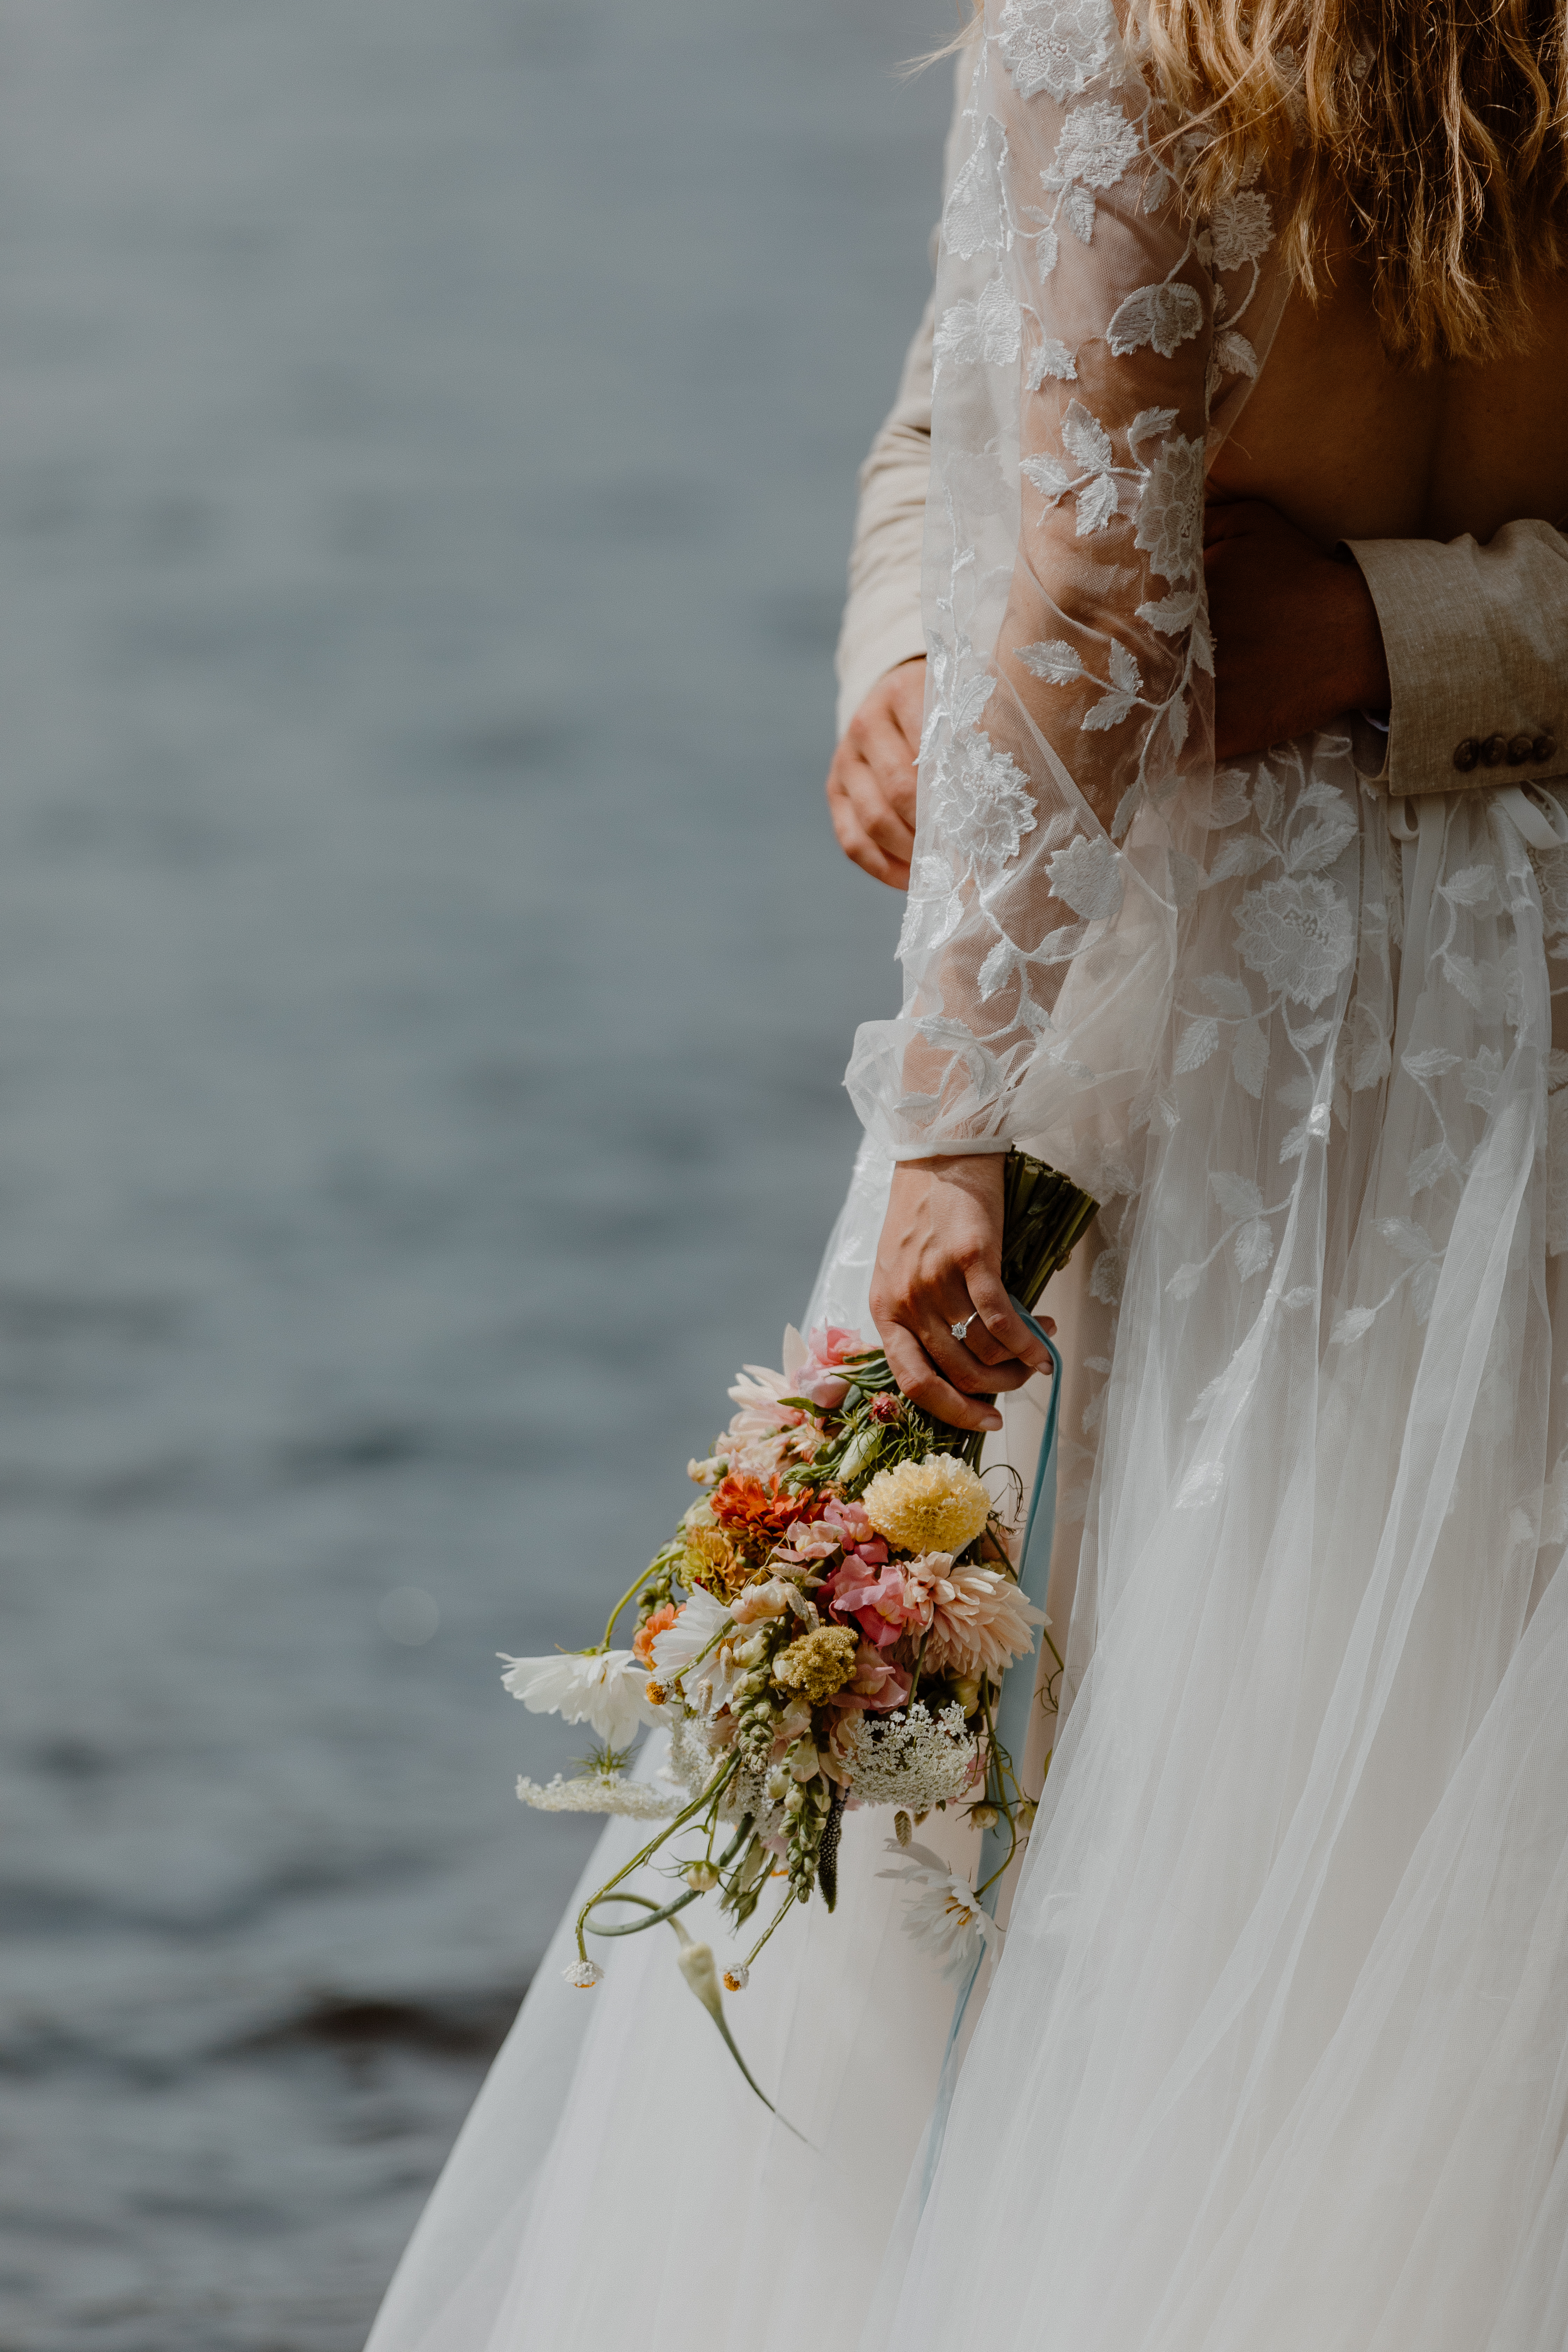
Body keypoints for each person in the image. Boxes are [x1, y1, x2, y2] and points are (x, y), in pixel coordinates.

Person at [367, 1, 1568, 2342]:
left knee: (1200, 1778)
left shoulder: (1126, 25)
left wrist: (951, 1112)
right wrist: (907, 652)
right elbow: (967, 413)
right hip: (1371, 975)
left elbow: (1104, 595)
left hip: (1203, 1022)